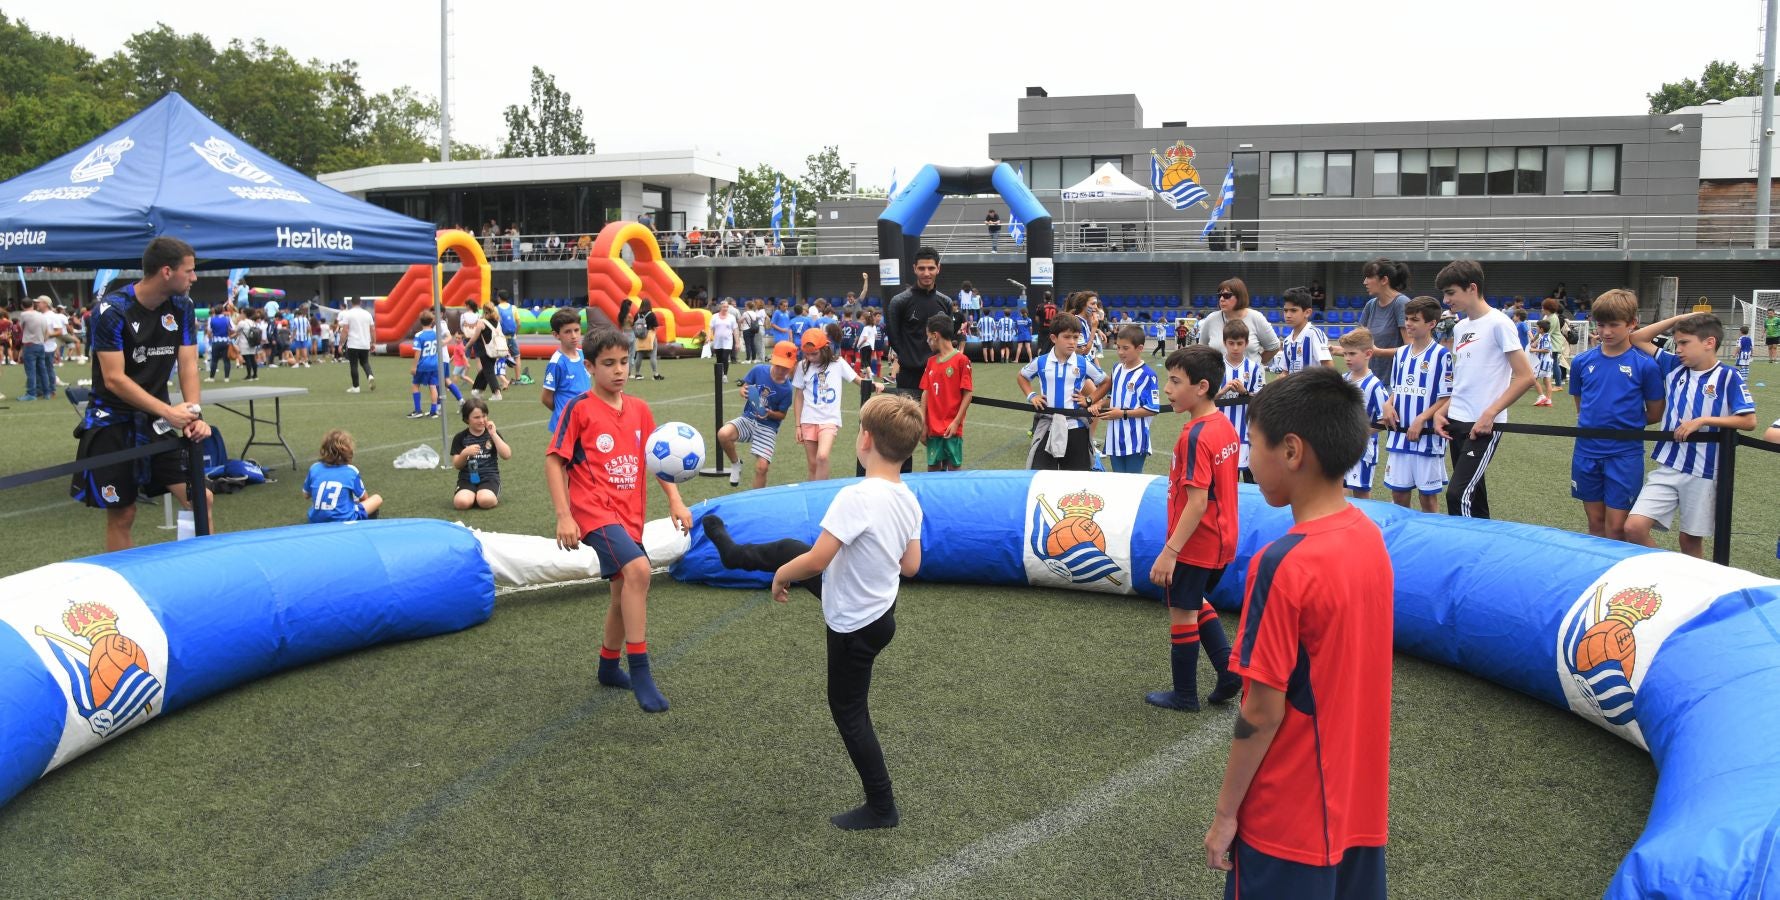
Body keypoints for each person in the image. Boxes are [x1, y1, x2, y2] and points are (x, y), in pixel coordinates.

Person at [1204, 366, 1391, 899]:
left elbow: (1262, 711)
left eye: (1252, 445)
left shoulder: (1283, 563)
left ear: (1291, 451)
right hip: (1357, 808)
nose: (1247, 459)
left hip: (1289, 818)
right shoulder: (1370, 538)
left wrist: (1224, 815)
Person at [546, 325, 693, 713]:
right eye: (608, 363)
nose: (619, 370)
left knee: (621, 593)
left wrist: (675, 502)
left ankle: (608, 665)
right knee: (640, 572)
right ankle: (641, 669)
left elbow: (657, 461)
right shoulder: (579, 409)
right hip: (593, 512)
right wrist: (564, 515)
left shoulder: (641, 410)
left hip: (629, 516)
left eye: (624, 362)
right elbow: (554, 460)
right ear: (590, 367)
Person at [70, 236, 214, 551]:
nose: (194, 278)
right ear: (166, 271)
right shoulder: (111, 310)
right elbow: (114, 379)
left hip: (158, 422)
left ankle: (201, 573)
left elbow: (188, 365)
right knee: (123, 513)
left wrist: (192, 413)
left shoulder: (182, 306)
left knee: (200, 498)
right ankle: (124, 586)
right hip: (113, 424)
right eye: (189, 271)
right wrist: (167, 411)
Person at [1146, 345, 1243, 711]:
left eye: (1175, 381)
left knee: (1182, 611)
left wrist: (1171, 551)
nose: (1167, 389)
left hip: (1197, 541)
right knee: (1194, 600)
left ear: (1201, 386)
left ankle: (1184, 694)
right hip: (1222, 539)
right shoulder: (1225, 425)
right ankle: (1228, 670)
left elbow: (1197, 501)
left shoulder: (1195, 435)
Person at [1622, 312, 1756, 558]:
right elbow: (1637, 338)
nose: (1679, 349)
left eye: (1684, 343)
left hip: (1704, 471)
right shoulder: (1674, 366)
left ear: (1709, 342)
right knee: (1634, 528)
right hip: (1669, 464)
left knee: (1689, 540)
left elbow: (1749, 420)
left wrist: (1703, 420)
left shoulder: (1728, 376)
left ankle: (1692, 585)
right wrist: (1682, 318)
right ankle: (1672, 572)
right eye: (1677, 343)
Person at [1432, 260, 1534, 519]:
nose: (1445, 300)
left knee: (1457, 494)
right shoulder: (1460, 327)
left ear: (1472, 288)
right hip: (1456, 420)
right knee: (1474, 496)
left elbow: (1525, 377)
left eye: (1450, 292)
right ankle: (1484, 552)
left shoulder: (1499, 323)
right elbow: (1464, 378)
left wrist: (1490, 414)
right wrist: (1443, 410)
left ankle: (1466, 554)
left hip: (1483, 425)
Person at [1567, 289, 1665, 543]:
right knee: (1596, 524)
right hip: (1586, 451)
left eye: (1614, 325)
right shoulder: (1581, 362)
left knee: (1617, 528)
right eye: (1601, 325)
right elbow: (1582, 408)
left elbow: (1655, 413)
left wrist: (1623, 423)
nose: (1606, 332)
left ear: (1632, 323)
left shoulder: (1645, 365)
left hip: (1624, 454)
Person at [1384, 297, 1454, 513]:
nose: (1408, 324)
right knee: (1399, 495)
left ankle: (1431, 540)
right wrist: (1388, 403)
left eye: (1415, 319)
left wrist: (1423, 418)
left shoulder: (1442, 355)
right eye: (1406, 318)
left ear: (1431, 323)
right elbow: (1396, 388)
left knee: (1428, 499)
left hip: (1427, 439)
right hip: (1399, 436)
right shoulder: (1400, 354)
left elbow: (1447, 396)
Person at [1017, 316, 1107, 470]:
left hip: (1076, 428)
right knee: (1041, 475)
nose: (1072, 342)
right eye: (1066, 337)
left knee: (1076, 479)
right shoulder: (1041, 361)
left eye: (1075, 337)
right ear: (1053, 338)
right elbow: (1022, 376)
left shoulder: (1082, 362)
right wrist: (1032, 396)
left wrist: (1090, 400)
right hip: (1048, 425)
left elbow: (1105, 382)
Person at [719, 340, 797, 489]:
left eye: (785, 368)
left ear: (792, 365)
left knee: (762, 468)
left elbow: (782, 415)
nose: (781, 370)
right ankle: (736, 464)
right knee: (723, 434)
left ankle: (756, 501)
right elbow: (745, 387)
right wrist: (743, 391)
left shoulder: (787, 390)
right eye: (779, 365)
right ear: (773, 359)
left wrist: (769, 413)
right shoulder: (759, 370)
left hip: (768, 427)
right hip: (748, 418)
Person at [1091, 325, 1161, 474]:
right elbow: (1115, 399)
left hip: (1135, 439)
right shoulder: (1116, 368)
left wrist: (1122, 413)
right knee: (1118, 482)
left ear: (1139, 348)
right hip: (1114, 437)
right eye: (1118, 347)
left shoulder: (1148, 375)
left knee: (1132, 483)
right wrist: (1100, 404)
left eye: (1125, 348)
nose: (1120, 352)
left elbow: (1152, 409)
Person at [885, 247, 955, 393]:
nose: (926, 273)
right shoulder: (899, 302)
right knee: (909, 416)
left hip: (939, 374)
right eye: (921, 268)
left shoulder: (946, 302)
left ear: (938, 269)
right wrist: (910, 360)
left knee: (937, 416)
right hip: (909, 377)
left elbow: (947, 339)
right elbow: (894, 338)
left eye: (931, 268)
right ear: (914, 269)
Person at [794, 325, 858, 481]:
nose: (810, 358)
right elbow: (799, 396)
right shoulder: (802, 366)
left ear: (825, 348)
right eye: (807, 354)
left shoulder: (838, 363)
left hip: (829, 419)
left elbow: (857, 379)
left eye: (814, 353)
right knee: (812, 465)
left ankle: (822, 494)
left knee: (822, 456)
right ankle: (813, 497)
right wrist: (797, 425)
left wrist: (873, 384)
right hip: (808, 419)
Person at [1337, 329, 1395, 500]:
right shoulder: (1343, 379)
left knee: (1361, 494)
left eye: (1352, 353)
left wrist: (1359, 432)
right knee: (1340, 490)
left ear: (1368, 354)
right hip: (1340, 447)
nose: (1347, 358)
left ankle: (1365, 525)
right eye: (1345, 353)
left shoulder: (1374, 385)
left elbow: (1386, 419)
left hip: (1363, 449)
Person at [918, 313, 973, 472]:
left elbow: (967, 394)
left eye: (928, 338)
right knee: (932, 469)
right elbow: (925, 392)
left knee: (954, 470)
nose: (927, 342)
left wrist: (956, 422)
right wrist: (923, 423)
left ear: (935, 336)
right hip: (932, 429)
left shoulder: (961, 360)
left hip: (952, 429)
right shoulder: (930, 362)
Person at [1217, 318, 1266, 483]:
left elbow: (1261, 400)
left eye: (1239, 343)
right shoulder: (1216, 367)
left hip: (1246, 432)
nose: (1235, 347)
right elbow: (1204, 398)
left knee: (1251, 481)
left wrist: (1244, 393)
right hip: (1221, 432)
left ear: (1246, 343)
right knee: (1224, 481)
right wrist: (1223, 391)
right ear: (1225, 343)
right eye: (1231, 343)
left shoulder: (1253, 368)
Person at [1197, 279, 1282, 368]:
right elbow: (1202, 349)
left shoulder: (1256, 317)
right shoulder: (1211, 319)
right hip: (1220, 379)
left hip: (1250, 379)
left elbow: (1274, 346)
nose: (1222, 299)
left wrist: (1256, 363)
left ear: (1239, 296)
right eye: (1220, 296)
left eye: (1226, 295)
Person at [304, 429, 383, 523]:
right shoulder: (351, 471)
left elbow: (306, 495)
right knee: (377, 498)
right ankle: (364, 526)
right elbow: (364, 498)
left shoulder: (314, 468)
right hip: (343, 520)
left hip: (316, 520)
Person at [452, 397, 512, 510]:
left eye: (484, 416)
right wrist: (464, 454)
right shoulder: (460, 437)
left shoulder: (492, 434)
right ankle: (472, 495)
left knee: (485, 500)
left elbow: (507, 455)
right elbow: (457, 465)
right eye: (476, 417)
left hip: (489, 478)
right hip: (467, 479)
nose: (481, 420)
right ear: (466, 419)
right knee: (461, 503)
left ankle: (482, 495)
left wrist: (494, 434)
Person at [1358, 259, 1410, 384]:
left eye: (1369, 277)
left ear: (1384, 280)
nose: (1365, 282)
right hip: (1370, 381)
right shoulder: (1370, 305)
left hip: (1395, 383)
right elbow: (1358, 341)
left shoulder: (1401, 303)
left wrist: (1379, 352)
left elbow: (1412, 349)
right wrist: (1334, 349)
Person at [540, 309, 589, 435]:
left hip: (584, 420)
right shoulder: (557, 363)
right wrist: (563, 411)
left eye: (576, 330)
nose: (573, 335)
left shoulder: (583, 355)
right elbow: (546, 397)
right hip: (565, 426)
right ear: (556, 335)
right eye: (567, 332)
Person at [1277, 288, 1332, 375]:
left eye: (1293, 310)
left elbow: (1329, 368)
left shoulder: (1314, 334)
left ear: (1307, 313)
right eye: (1285, 310)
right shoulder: (1287, 341)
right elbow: (1285, 373)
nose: (1288, 315)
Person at [408, 310, 448, 419]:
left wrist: (414, 366)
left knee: (415, 385)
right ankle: (433, 411)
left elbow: (418, 352)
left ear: (420, 321)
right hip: (434, 364)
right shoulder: (436, 334)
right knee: (433, 386)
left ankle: (418, 410)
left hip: (423, 365)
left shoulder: (419, 335)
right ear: (432, 321)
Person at [19, 297, 55, 400]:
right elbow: (46, 331)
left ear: (22, 306)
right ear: (33, 305)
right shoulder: (41, 316)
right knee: (43, 370)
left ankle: (31, 393)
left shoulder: (24, 315)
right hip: (40, 344)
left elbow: (22, 327)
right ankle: (47, 392)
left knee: (31, 371)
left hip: (30, 344)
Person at [340, 297, 375, 394]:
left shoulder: (348, 314)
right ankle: (370, 375)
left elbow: (345, 330)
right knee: (365, 362)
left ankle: (356, 387)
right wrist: (373, 342)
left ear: (351, 303)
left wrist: (341, 343)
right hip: (365, 343)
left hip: (353, 344)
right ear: (361, 302)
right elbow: (372, 329)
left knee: (354, 364)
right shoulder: (367, 314)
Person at [1541, 298, 1572, 388]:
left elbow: (1547, 333)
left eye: (1543, 307)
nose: (1542, 309)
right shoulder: (1549, 317)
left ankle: (1558, 385)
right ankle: (1555, 383)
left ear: (1548, 308)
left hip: (1554, 344)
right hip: (1552, 344)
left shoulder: (1553, 318)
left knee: (1554, 363)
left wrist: (1536, 342)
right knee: (1554, 363)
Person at [1529, 320, 1555, 406]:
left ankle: (1542, 396)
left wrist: (1534, 350)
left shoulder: (1545, 338)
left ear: (1541, 329)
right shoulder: (1543, 336)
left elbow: (1546, 350)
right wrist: (1535, 345)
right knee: (1547, 380)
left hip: (1543, 362)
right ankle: (1548, 400)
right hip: (1548, 362)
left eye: (1537, 327)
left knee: (1532, 379)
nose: (1536, 328)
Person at [710, 299, 737, 380]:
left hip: (728, 341)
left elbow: (735, 330)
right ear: (720, 307)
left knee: (725, 357)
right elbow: (710, 328)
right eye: (724, 307)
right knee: (719, 359)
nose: (725, 308)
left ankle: (725, 375)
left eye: (727, 307)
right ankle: (719, 375)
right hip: (718, 341)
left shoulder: (731, 317)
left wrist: (737, 342)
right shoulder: (714, 316)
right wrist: (708, 337)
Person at [205, 304, 233, 383]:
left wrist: (211, 338)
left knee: (214, 360)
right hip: (225, 341)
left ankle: (211, 378)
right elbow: (233, 329)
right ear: (223, 311)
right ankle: (226, 378)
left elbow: (209, 332)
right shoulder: (227, 319)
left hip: (215, 341)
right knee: (226, 360)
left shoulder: (211, 319)